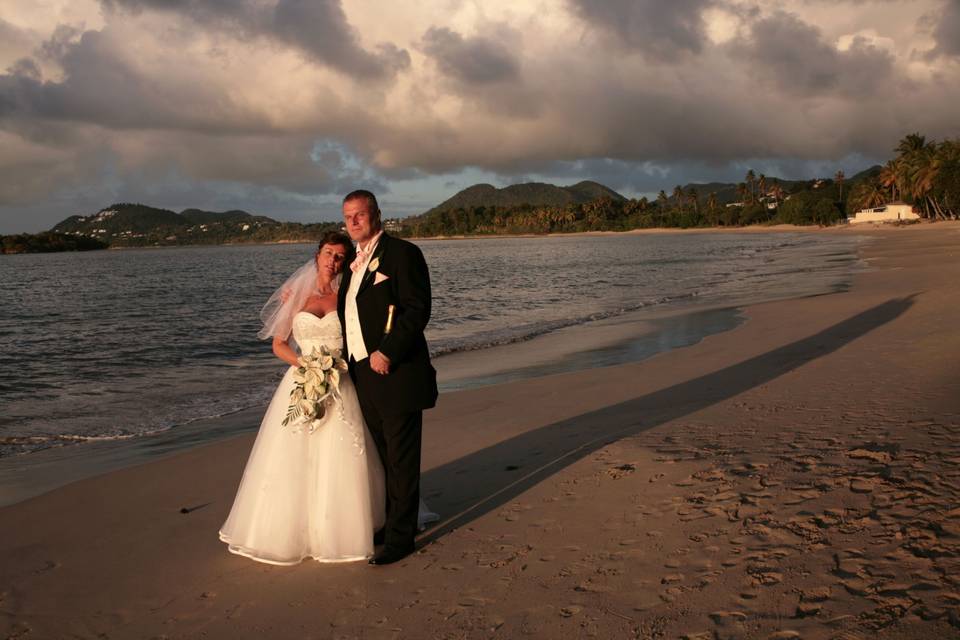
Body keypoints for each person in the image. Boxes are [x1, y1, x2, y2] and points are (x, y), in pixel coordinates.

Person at [218, 231, 386, 564]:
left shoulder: (348, 295)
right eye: (328, 253)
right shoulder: (295, 296)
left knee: (341, 456)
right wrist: (307, 365)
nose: (332, 260)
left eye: (339, 255)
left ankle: (342, 531)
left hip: (340, 382)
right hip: (302, 379)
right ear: (317, 255)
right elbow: (278, 345)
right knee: (292, 457)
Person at [338, 189, 438, 566]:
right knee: (382, 458)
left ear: (377, 214)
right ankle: (394, 523)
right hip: (362, 375)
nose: (353, 223)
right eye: (347, 217)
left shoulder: (403, 254)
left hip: (395, 371)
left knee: (402, 458)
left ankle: (401, 538)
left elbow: (417, 308)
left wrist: (387, 351)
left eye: (359, 215)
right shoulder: (352, 261)